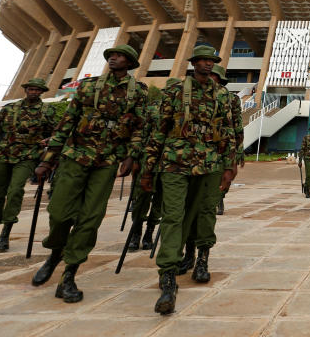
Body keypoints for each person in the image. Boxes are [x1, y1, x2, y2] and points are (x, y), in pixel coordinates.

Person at [31, 44, 148, 303]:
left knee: (90, 218)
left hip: (106, 161)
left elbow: (140, 127)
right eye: (111, 56)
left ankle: (69, 274)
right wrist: (47, 160)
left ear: (129, 62)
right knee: (60, 213)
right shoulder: (88, 86)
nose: (112, 59)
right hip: (75, 156)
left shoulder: (137, 92)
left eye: (118, 56)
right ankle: (55, 254)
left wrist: (131, 155)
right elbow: (67, 123)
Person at [141, 45, 239, 314]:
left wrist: (230, 165)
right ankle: (168, 276)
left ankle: (203, 258)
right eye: (203, 60)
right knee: (173, 216)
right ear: (194, 63)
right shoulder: (174, 92)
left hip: (209, 165)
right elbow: (158, 132)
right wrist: (148, 169)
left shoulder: (223, 96)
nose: (207, 65)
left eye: (212, 61)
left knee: (206, 213)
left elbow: (229, 132)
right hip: (175, 163)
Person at [0, 78, 56, 253]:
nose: (33, 92)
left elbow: (58, 132)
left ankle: (5, 234)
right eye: (31, 89)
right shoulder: (10, 108)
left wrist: (48, 142)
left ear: (42, 92)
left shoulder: (47, 111)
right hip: (3, 155)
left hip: (27, 156)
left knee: (15, 191)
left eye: (37, 90)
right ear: (26, 90)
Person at [126, 79, 179, 252]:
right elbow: (141, 134)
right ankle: (136, 232)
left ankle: (149, 232)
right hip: (148, 159)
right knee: (141, 198)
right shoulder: (152, 109)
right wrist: (134, 157)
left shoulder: (181, 110)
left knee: (159, 201)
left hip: (169, 161)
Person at [212, 64, 244, 215]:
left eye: (215, 77)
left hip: (225, 143)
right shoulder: (193, 95)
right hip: (201, 144)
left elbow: (237, 125)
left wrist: (238, 151)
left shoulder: (232, 99)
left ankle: (219, 197)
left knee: (226, 175)